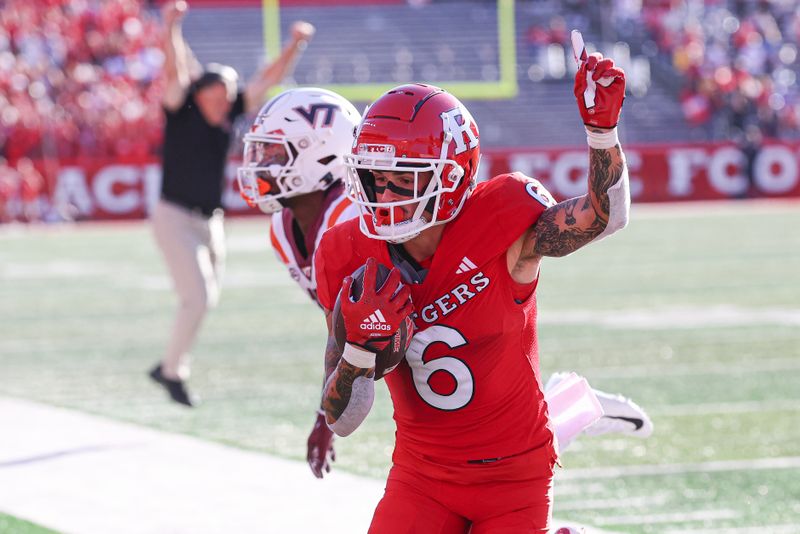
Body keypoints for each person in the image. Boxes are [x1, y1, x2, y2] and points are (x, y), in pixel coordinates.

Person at [238, 84, 651, 481]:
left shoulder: (369, 218)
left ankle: (568, 408)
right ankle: (568, 407)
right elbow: (346, 331)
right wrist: (333, 399)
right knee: (449, 428)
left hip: (458, 311)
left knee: (480, 435)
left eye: (275, 153)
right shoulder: (286, 231)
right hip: (419, 342)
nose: (260, 163)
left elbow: (599, 218)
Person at [313, 38, 631, 531]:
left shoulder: (500, 219)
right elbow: (343, 419)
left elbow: (602, 219)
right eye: (374, 177)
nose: (383, 193)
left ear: (453, 176)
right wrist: (358, 351)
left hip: (514, 476)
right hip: (422, 474)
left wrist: (601, 133)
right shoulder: (344, 253)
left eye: (403, 178)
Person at [148, 0, 315, 407]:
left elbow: (266, 80)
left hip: (211, 220)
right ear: (199, 91)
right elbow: (174, 68)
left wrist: (294, 45)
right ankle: (172, 372)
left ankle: (168, 365)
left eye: (227, 92)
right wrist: (171, 27)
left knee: (206, 297)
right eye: (216, 91)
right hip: (174, 216)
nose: (224, 98)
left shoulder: (229, 111)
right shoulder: (181, 109)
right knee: (198, 298)